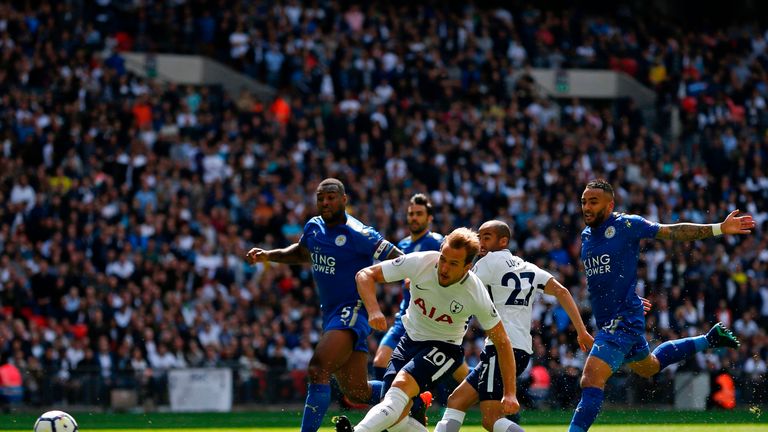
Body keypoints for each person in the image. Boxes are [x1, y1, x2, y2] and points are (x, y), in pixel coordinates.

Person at [568, 179, 751, 432]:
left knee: (590, 379)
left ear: (610, 205)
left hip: (621, 322)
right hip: (619, 316)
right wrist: (629, 298)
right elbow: (605, 279)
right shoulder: (586, 234)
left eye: (593, 202)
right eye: (583, 202)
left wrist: (719, 228)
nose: (586, 207)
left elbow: (673, 232)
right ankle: (709, 339)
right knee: (649, 367)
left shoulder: (626, 225)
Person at [246, 178, 402, 432]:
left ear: (344, 200)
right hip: (331, 314)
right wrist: (269, 255)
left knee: (318, 368)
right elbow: (300, 253)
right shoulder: (314, 227)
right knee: (358, 392)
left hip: (352, 311)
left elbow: (398, 258)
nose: (325, 202)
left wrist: (413, 278)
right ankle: (410, 398)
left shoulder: (360, 233)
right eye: (321, 198)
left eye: (331, 197)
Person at [335, 228, 519, 432]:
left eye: (454, 263)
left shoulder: (475, 293)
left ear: (468, 267)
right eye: (443, 259)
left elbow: (502, 342)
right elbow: (365, 274)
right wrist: (373, 310)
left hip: (445, 347)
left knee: (401, 386)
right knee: (394, 418)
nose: (444, 268)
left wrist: (510, 393)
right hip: (409, 341)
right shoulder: (422, 262)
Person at [435, 220, 594, 432]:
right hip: (519, 350)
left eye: (487, 237)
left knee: (490, 420)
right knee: (457, 401)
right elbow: (562, 291)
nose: (481, 242)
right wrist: (582, 331)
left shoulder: (488, 262)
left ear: (503, 241)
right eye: (479, 237)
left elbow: (460, 285)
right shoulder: (528, 267)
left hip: (501, 348)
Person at [369, 193, 444, 423]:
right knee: (380, 361)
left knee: (461, 373)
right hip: (405, 316)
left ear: (429, 218)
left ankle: (499, 399)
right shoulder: (402, 244)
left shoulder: (438, 242)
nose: (414, 217)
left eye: (419, 214)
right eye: (411, 213)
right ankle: (408, 408)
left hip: (431, 319)